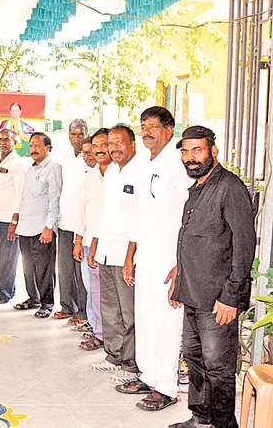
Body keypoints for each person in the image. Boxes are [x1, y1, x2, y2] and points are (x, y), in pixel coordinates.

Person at [168, 126, 256, 428]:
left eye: (197, 150)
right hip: (193, 293)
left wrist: (231, 297)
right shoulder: (198, 187)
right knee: (195, 360)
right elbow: (194, 240)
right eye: (185, 151)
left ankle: (222, 424)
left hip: (218, 299)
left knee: (218, 369)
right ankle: (201, 418)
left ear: (213, 151)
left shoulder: (229, 187)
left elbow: (244, 246)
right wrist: (179, 278)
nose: (190, 157)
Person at [117, 107, 192, 410]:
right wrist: (129, 257)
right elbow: (138, 215)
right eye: (144, 126)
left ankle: (167, 387)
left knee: (166, 323)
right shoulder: (143, 164)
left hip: (168, 259)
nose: (147, 132)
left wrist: (180, 263)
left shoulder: (178, 164)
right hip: (145, 257)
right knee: (145, 320)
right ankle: (148, 377)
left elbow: (190, 217)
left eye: (153, 126)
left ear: (169, 130)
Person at [87, 124, 140, 385]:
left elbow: (139, 219)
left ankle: (131, 363)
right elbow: (104, 213)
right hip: (106, 251)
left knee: (129, 311)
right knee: (109, 307)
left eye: (120, 142)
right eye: (110, 143)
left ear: (132, 145)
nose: (114, 148)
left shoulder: (140, 172)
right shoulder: (110, 173)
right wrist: (95, 244)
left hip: (126, 255)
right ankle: (114, 355)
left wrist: (130, 257)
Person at [14, 133, 62, 317]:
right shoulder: (31, 169)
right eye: (31, 145)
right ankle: (33, 298)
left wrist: (49, 226)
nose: (33, 149)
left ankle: (47, 303)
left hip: (41, 229)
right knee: (28, 268)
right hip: (25, 228)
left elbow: (54, 199)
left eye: (37, 145)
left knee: (44, 268)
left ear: (47, 147)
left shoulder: (53, 168)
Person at [73, 128, 112, 352]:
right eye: (95, 146)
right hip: (89, 243)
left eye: (103, 145)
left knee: (114, 294)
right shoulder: (89, 176)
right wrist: (78, 241)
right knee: (94, 290)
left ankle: (116, 337)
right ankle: (99, 333)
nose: (98, 150)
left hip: (115, 245)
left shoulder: (122, 174)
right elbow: (82, 211)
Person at [0, 129, 27, 305]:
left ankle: (4, 293)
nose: (3, 142)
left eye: (7, 139)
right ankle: (6, 289)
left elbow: (20, 194)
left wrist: (15, 221)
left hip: (8, 220)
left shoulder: (17, 164)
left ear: (14, 142)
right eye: (0, 139)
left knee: (8, 258)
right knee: (0, 258)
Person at [53, 119, 90, 323]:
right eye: (74, 134)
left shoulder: (90, 159)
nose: (77, 138)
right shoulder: (65, 159)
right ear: (68, 136)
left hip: (83, 225)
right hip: (65, 222)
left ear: (87, 134)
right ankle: (66, 306)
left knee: (81, 271)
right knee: (65, 269)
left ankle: (83, 311)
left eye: (81, 134)